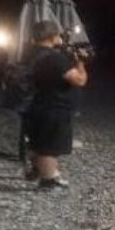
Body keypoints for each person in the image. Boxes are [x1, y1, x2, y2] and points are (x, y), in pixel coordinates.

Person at [24, 20, 89, 188]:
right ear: (53, 36)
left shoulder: (30, 54)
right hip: (54, 106)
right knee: (50, 145)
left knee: (38, 141)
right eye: (59, 35)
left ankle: (38, 169)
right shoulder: (55, 59)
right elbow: (79, 80)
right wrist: (81, 62)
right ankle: (48, 179)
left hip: (37, 103)